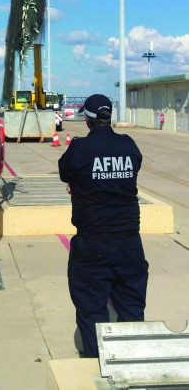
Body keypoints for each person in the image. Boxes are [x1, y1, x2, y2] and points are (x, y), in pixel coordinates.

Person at [58, 93, 149, 358]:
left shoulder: (80, 149)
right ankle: (131, 362)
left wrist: (83, 183)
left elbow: (66, 171)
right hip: (129, 241)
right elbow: (132, 169)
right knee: (131, 305)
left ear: (88, 118)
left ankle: (96, 364)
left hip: (93, 241)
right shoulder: (128, 145)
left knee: (91, 307)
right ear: (109, 117)